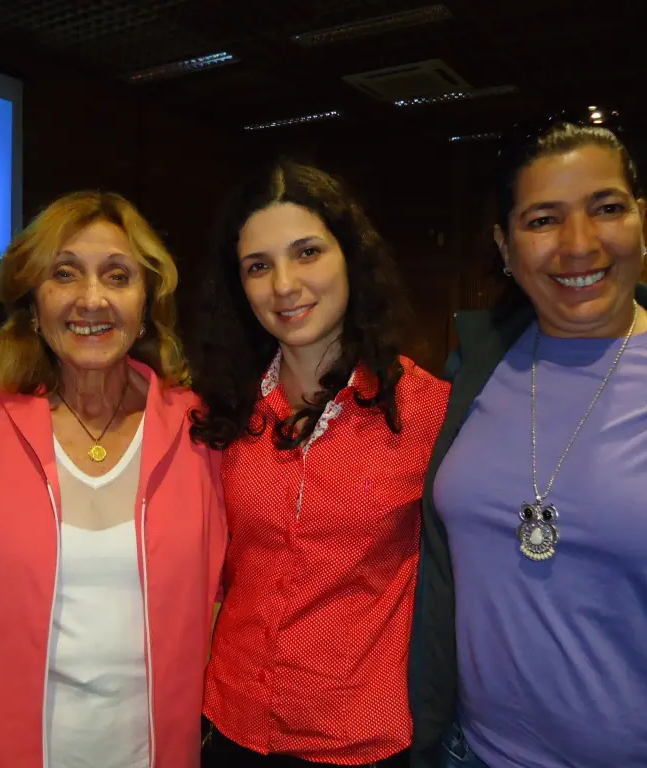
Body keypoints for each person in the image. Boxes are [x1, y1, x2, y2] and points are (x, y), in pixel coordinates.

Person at [410, 113, 647, 768]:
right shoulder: (470, 371)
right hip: (471, 755)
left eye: (607, 208)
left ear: (641, 219)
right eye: (543, 220)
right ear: (504, 247)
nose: (580, 244)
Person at [0, 191, 227, 768]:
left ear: (145, 300)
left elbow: (227, 592)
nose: (91, 300)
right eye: (64, 274)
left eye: (117, 276)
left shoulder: (200, 428)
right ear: (34, 302)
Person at [189, 159, 450, 767]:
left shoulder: (429, 412)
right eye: (259, 266)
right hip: (231, 725)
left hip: (361, 739)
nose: (284, 284)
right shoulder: (222, 410)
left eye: (307, 253)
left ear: (350, 259)